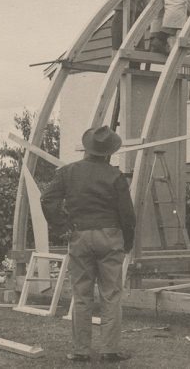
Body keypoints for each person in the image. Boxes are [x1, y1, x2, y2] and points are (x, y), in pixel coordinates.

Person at [41, 126, 136, 363]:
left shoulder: (67, 172)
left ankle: (81, 350)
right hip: (110, 236)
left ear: (86, 148)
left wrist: (63, 226)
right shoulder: (116, 176)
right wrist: (128, 243)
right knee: (111, 294)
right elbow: (128, 215)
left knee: (81, 295)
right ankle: (110, 350)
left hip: (80, 235)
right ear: (108, 152)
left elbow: (47, 199)